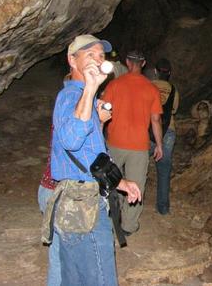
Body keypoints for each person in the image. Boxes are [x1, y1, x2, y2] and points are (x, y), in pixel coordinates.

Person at [46, 34, 141, 286]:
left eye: (101, 55)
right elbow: (70, 140)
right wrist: (89, 88)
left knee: (76, 278)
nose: (98, 60)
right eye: (90, 54)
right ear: (72, 60)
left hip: (82, 200)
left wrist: (120, 182)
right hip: (82, 205)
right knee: (100, 278)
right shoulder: (71, 97)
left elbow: (88, 156)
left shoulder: (88, 101)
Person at [102, 50, 163, 234]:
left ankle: (109, 220)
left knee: (111, 182)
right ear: (143, 63)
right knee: (136, 185)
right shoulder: (152, 89)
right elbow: (155, 120)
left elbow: (102, 114)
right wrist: (159, 144)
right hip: (138, 146)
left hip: (115, 143)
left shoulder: (114, 85)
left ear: (128, 63)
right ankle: (129, 225)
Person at [150, 58, 180, 214]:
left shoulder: (148, 86)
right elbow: (174, 109)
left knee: (138, 167)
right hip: (168, 130)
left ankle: (133, 203)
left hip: (147, 131)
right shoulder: (173, 90)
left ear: (155, 71)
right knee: (164, 169)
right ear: (169, 73)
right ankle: (163, 207)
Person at [38, 130, 60, 286]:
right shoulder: (75, 119)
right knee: (60, 255)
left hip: (51, 189)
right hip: (59, 193)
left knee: (60, 253)